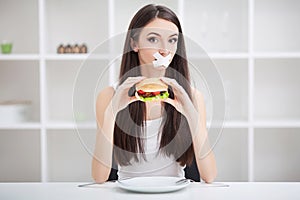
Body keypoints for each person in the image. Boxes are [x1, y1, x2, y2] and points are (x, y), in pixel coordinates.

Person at [92, 4, 217, 183]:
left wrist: (190, 112)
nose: (164, 50)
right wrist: (113, 111)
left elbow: (209, 176)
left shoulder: (193, 97)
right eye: (153, 39)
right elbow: (99, 177)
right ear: (134, 44)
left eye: (172, 40)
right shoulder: (109, 95)